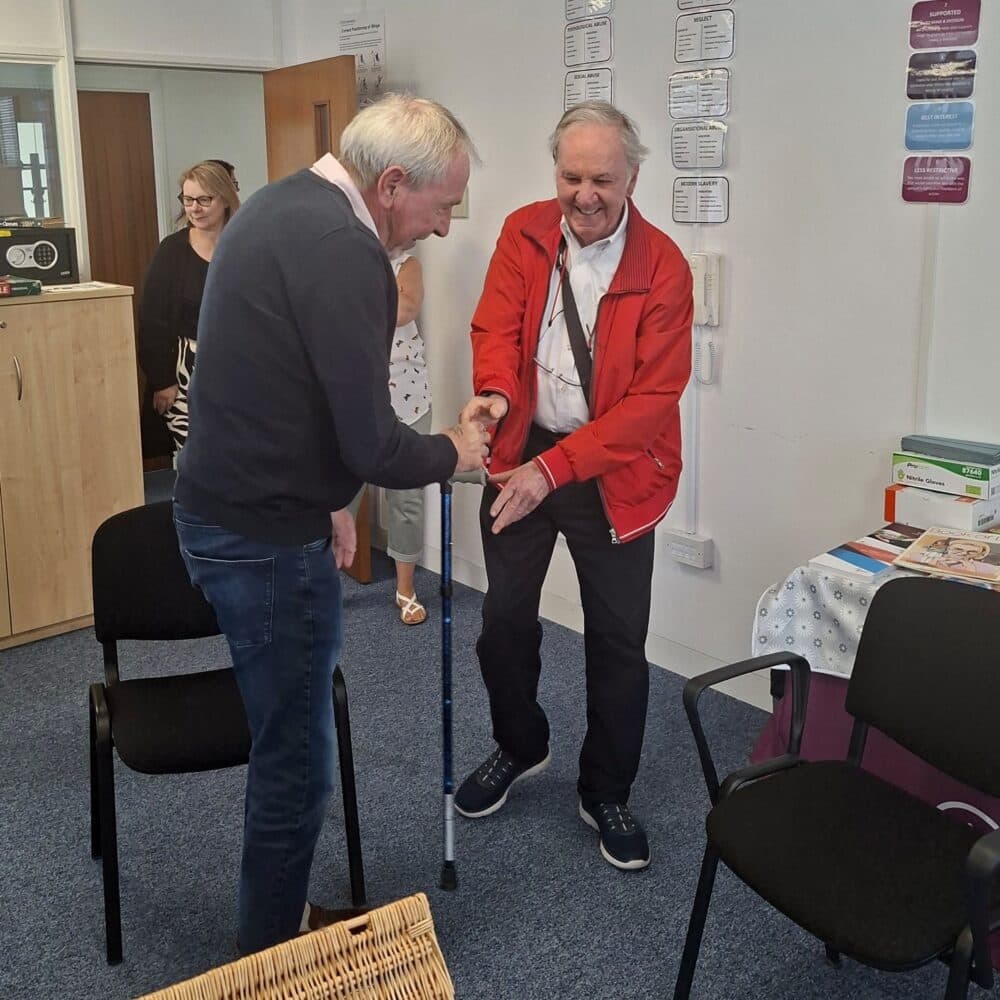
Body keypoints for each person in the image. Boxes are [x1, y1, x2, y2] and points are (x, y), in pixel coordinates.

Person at [172, 94, 493, 954]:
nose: (444, 225)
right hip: (262, 541)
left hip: (229, 508)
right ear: (393, 184)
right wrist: (454, 451)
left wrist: (326, 496)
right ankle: (271, 955)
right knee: (298, 765)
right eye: (442, 204)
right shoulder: (346, 254)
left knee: (289, 738)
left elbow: (277, 384)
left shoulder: (281, 204)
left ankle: (276, 916)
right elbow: (375, 440)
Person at [454, 101, 693, 872]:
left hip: (615, 473)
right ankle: (520, 745)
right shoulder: (525, 229)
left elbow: (650, 407)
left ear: (632, 176)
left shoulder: (663, 267)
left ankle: (605, 788)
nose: (584, 194)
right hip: (525, 451)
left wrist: (553, 469)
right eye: (570, 175)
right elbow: (496, 328)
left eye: (602, 178)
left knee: (618, 641)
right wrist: (492, 393)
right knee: (504, 621)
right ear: (554, 170)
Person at [137, 160, 241, 456]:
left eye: (204, 199)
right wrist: (162, 381)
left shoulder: (245, 245)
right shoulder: (171, 251)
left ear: (225, 199)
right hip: (186, 371)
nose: (194, 207)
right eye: (188, 199)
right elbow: (152, 319)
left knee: (238, 454)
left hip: (240, 367)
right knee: (196, 458)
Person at [386, 251, 432, 624]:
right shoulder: (341, 255)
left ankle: (405, 589)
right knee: (339, 494)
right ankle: (324, 586)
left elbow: (405, 310)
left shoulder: (407, 262)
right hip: (352, 389)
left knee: (407, 496)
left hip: (407, 394)